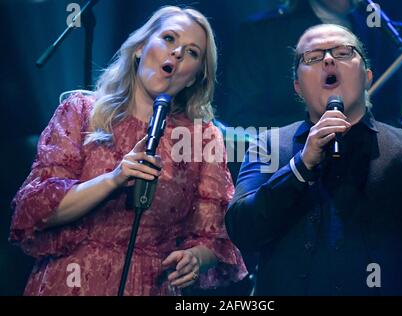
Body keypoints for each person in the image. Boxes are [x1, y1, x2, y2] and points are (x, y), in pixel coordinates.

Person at [9, 5, 247, 296]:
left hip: (151, 285)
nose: (177, 53)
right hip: (72, 281)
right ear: (139, 48)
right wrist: (114, 178)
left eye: (192, 52)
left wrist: (196, 258)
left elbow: (216, 237)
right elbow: (37, 208)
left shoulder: (202, 139)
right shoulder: (81, 112)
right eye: (169, 39)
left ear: (195, 77)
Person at [225, 24, 402, 295]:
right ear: (297, 87)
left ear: (367, 76)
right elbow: (243, 232)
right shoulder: (268, 146)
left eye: (343, 52)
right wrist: (299, 167)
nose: (329, 59)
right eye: (313, 57)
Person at [218, 0, 399, 130]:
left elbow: (390, 111)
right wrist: (318, 123)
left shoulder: (375, 30)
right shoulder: (261, 33)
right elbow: (241, 122)